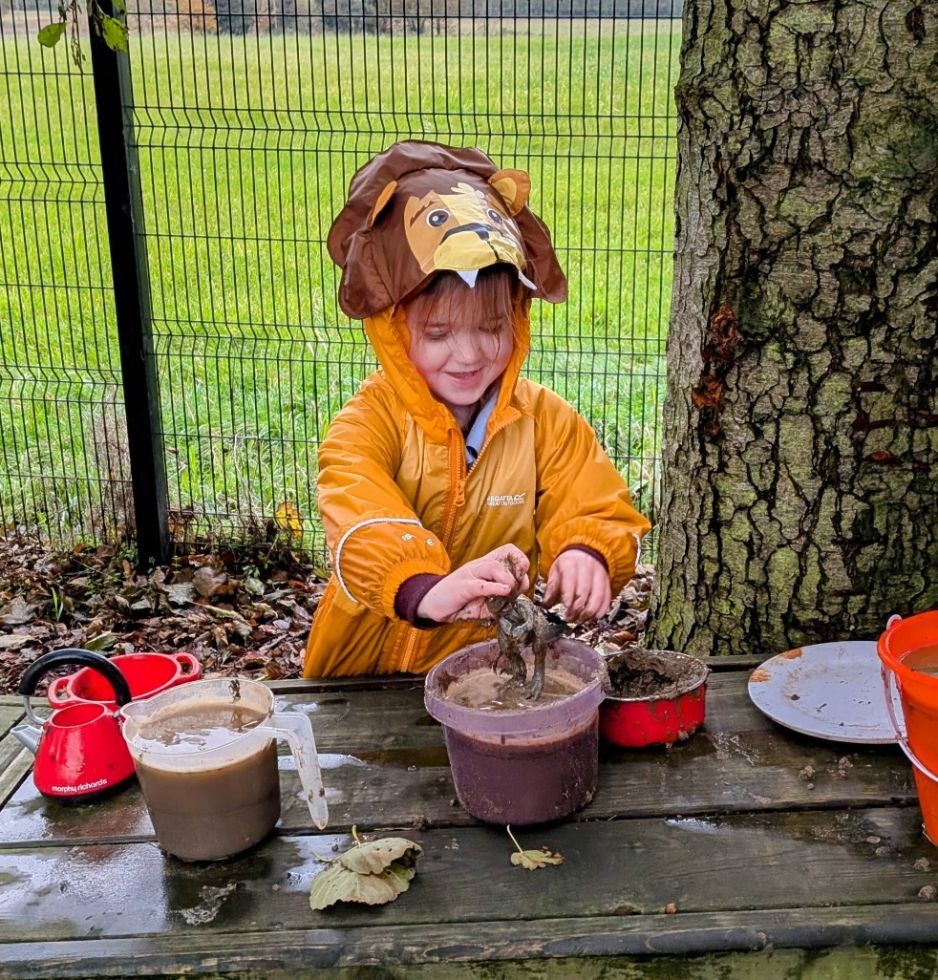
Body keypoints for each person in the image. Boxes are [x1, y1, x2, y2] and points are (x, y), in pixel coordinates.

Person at [302, 140, 650, 677]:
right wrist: (422, 589)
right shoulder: (367, 424)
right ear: (392, 328)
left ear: (517, 318)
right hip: (361, 670)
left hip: (486, 669)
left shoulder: (546, 422)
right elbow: (360, 516)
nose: (468, 355)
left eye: (491, 328)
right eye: (438, 333)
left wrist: (588, 551)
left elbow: (591, 502)